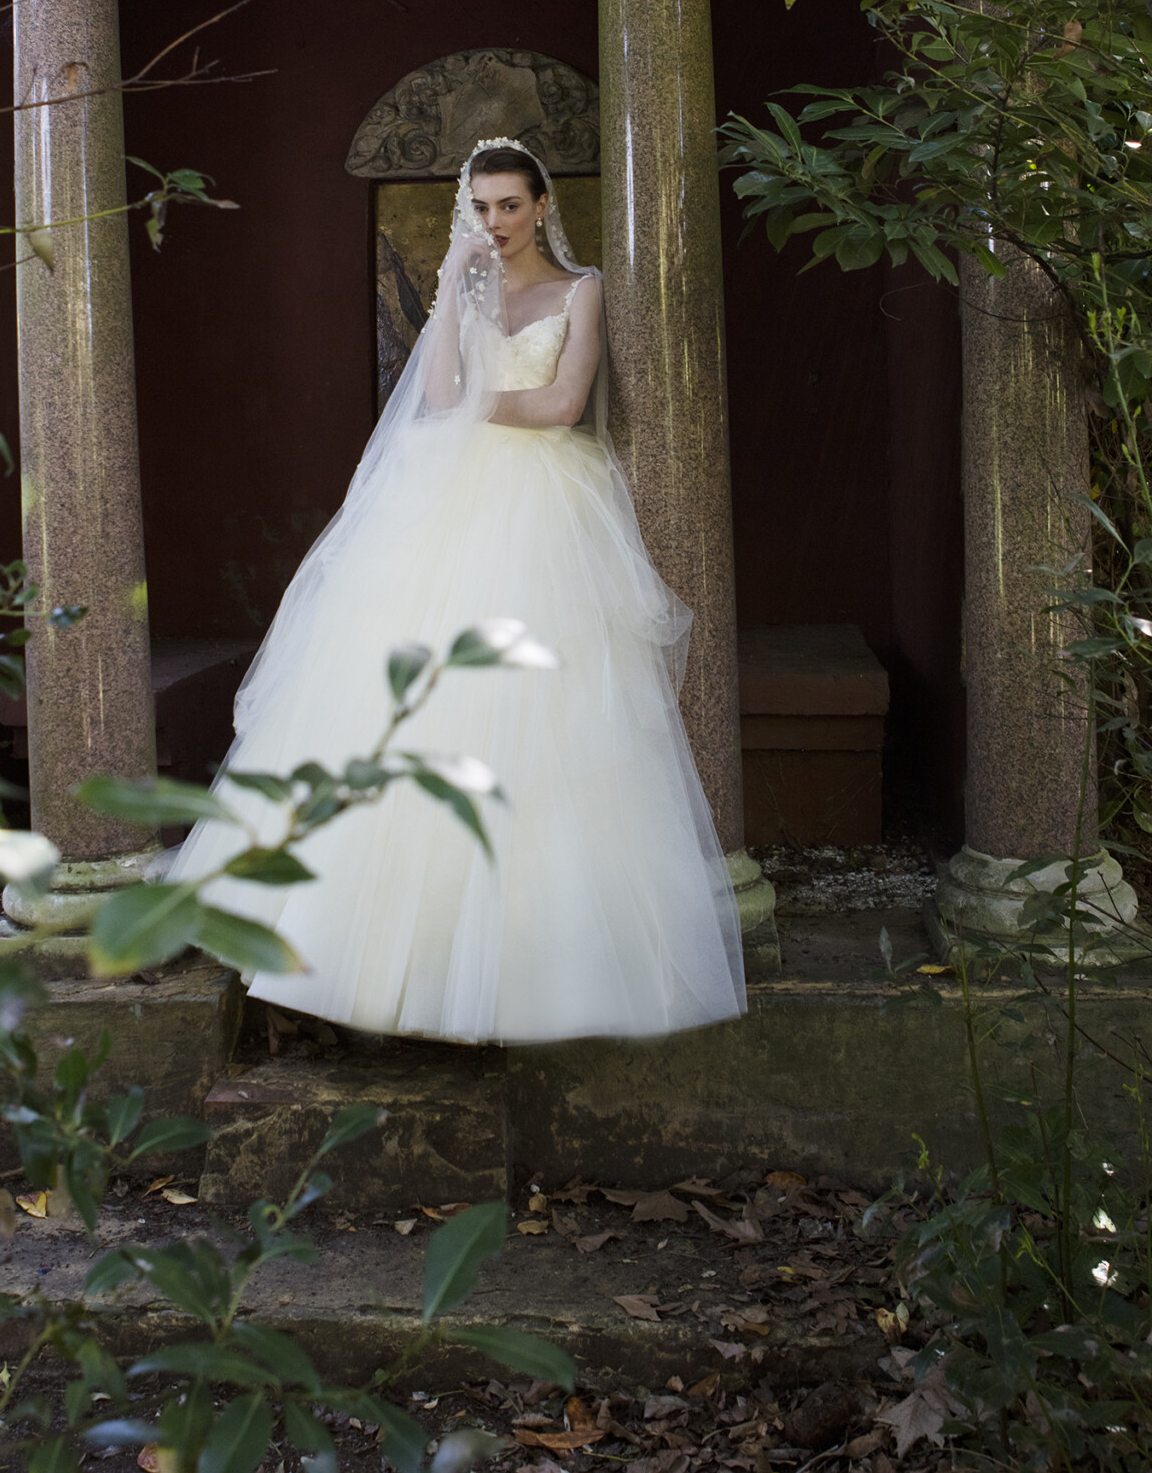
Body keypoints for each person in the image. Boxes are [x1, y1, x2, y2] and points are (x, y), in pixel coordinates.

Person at [167, 137, 746, 1043]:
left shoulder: (581, 287)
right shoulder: (468, 288)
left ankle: (532, 963)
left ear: (543, 205)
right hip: (451, 501)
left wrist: (480, 404)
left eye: (509, 205)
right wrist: (446, 282)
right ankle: (374, 956)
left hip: (547, 504)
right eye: (479, 207)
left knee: (541, 713)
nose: (494, 223)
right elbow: (434, 393)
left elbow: (561, 402)